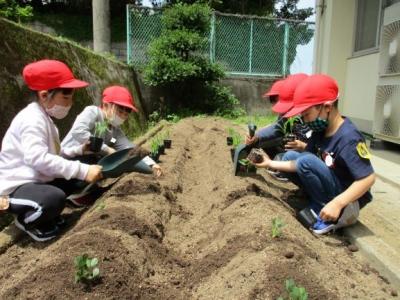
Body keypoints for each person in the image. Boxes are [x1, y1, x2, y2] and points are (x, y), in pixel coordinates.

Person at [253, 74, 375, 235]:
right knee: (290, 157)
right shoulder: (320, 131)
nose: (304, 120)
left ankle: (329, 211)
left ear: (327, 107)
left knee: (307, 161)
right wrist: (269, 163)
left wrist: (338, 203)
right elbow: (299, 161)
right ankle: (316, 200)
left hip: (349, 200)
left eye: (307, 114)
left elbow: (368, 178)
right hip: (332, 184)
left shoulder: (348, 138)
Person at [0, 59, 103, 242]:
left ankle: (50, 214)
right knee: (54, 200)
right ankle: (25, 220)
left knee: (81, 170)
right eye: (66, 97)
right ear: (44, 95)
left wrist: (80, 150)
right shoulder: (32, 120)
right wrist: (82, 171)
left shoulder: (46, 119)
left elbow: (55, 154)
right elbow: (39, 159)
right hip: (16, 186)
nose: (70, 102)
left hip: (38, 179)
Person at [61, 85, 162, 205]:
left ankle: (85, 191)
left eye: (126, 112)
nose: (123, 115)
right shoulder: (93, 112)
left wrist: (151, 164)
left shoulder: (114, 130)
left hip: (85, 164)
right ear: (106, 105)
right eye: (120, 110)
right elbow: (79, 131)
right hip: (67, 161)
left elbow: (129, 148)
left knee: (110, 159)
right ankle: (74, 191)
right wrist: (107, 149)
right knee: (103, 159)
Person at [246, 74, 310, 158]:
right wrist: (257, 136)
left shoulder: (315, 122)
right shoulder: (287, 115)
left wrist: (304, 146)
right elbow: (277, 127)